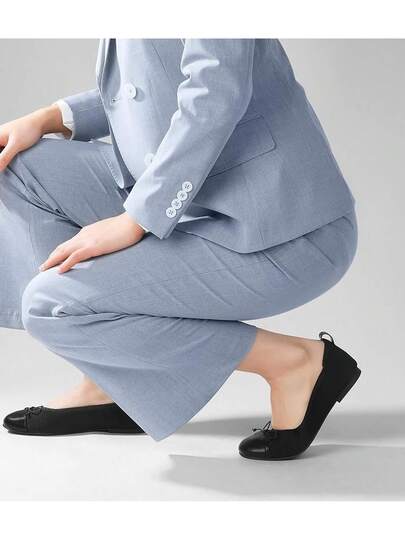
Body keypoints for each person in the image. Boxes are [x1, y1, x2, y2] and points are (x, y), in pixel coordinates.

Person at [0, 39, 360, 460]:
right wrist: (48, 118)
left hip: (283, 228)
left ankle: (294, 363)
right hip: (191, 196)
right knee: (14, 165)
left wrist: (135, 220)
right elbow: (144, 87)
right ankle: (112, 382)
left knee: (50, 305)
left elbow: (215, 89)